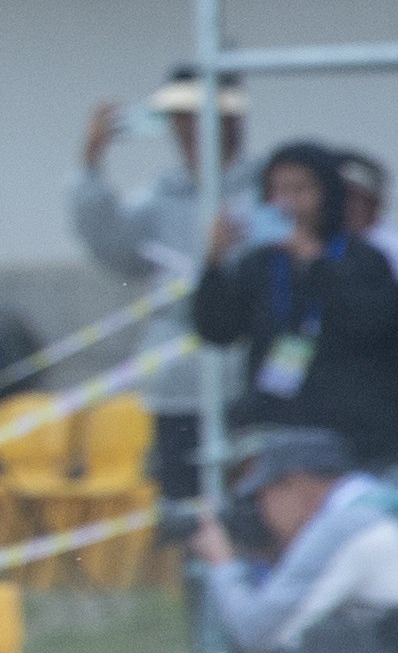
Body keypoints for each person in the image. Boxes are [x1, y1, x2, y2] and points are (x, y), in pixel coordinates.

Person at [72, 76, 270, 511]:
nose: (188, 133)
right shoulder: (165, 194)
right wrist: (90, 166)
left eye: (197, 120)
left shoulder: (262, 190)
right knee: (183, 500)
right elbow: (118, 246)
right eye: (179, 121)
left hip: (245, 367)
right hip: (178, 374)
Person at [195, 428, 398, 653]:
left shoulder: (344, 525)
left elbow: (258, 630)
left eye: (265, 494)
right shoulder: (383, 502)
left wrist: (222, 564)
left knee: (328, 642)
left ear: (299, 486)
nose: (261, 509)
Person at [191, 141, 398, 471]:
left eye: (300, 189)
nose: (287, 202)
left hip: (358, 436)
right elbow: (217, 330)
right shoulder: (260, 264)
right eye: (277, 190)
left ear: (327, 193)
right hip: (280, 430)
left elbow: (373, 323)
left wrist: (313, 260)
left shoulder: (363, 257)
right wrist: (214, 262)